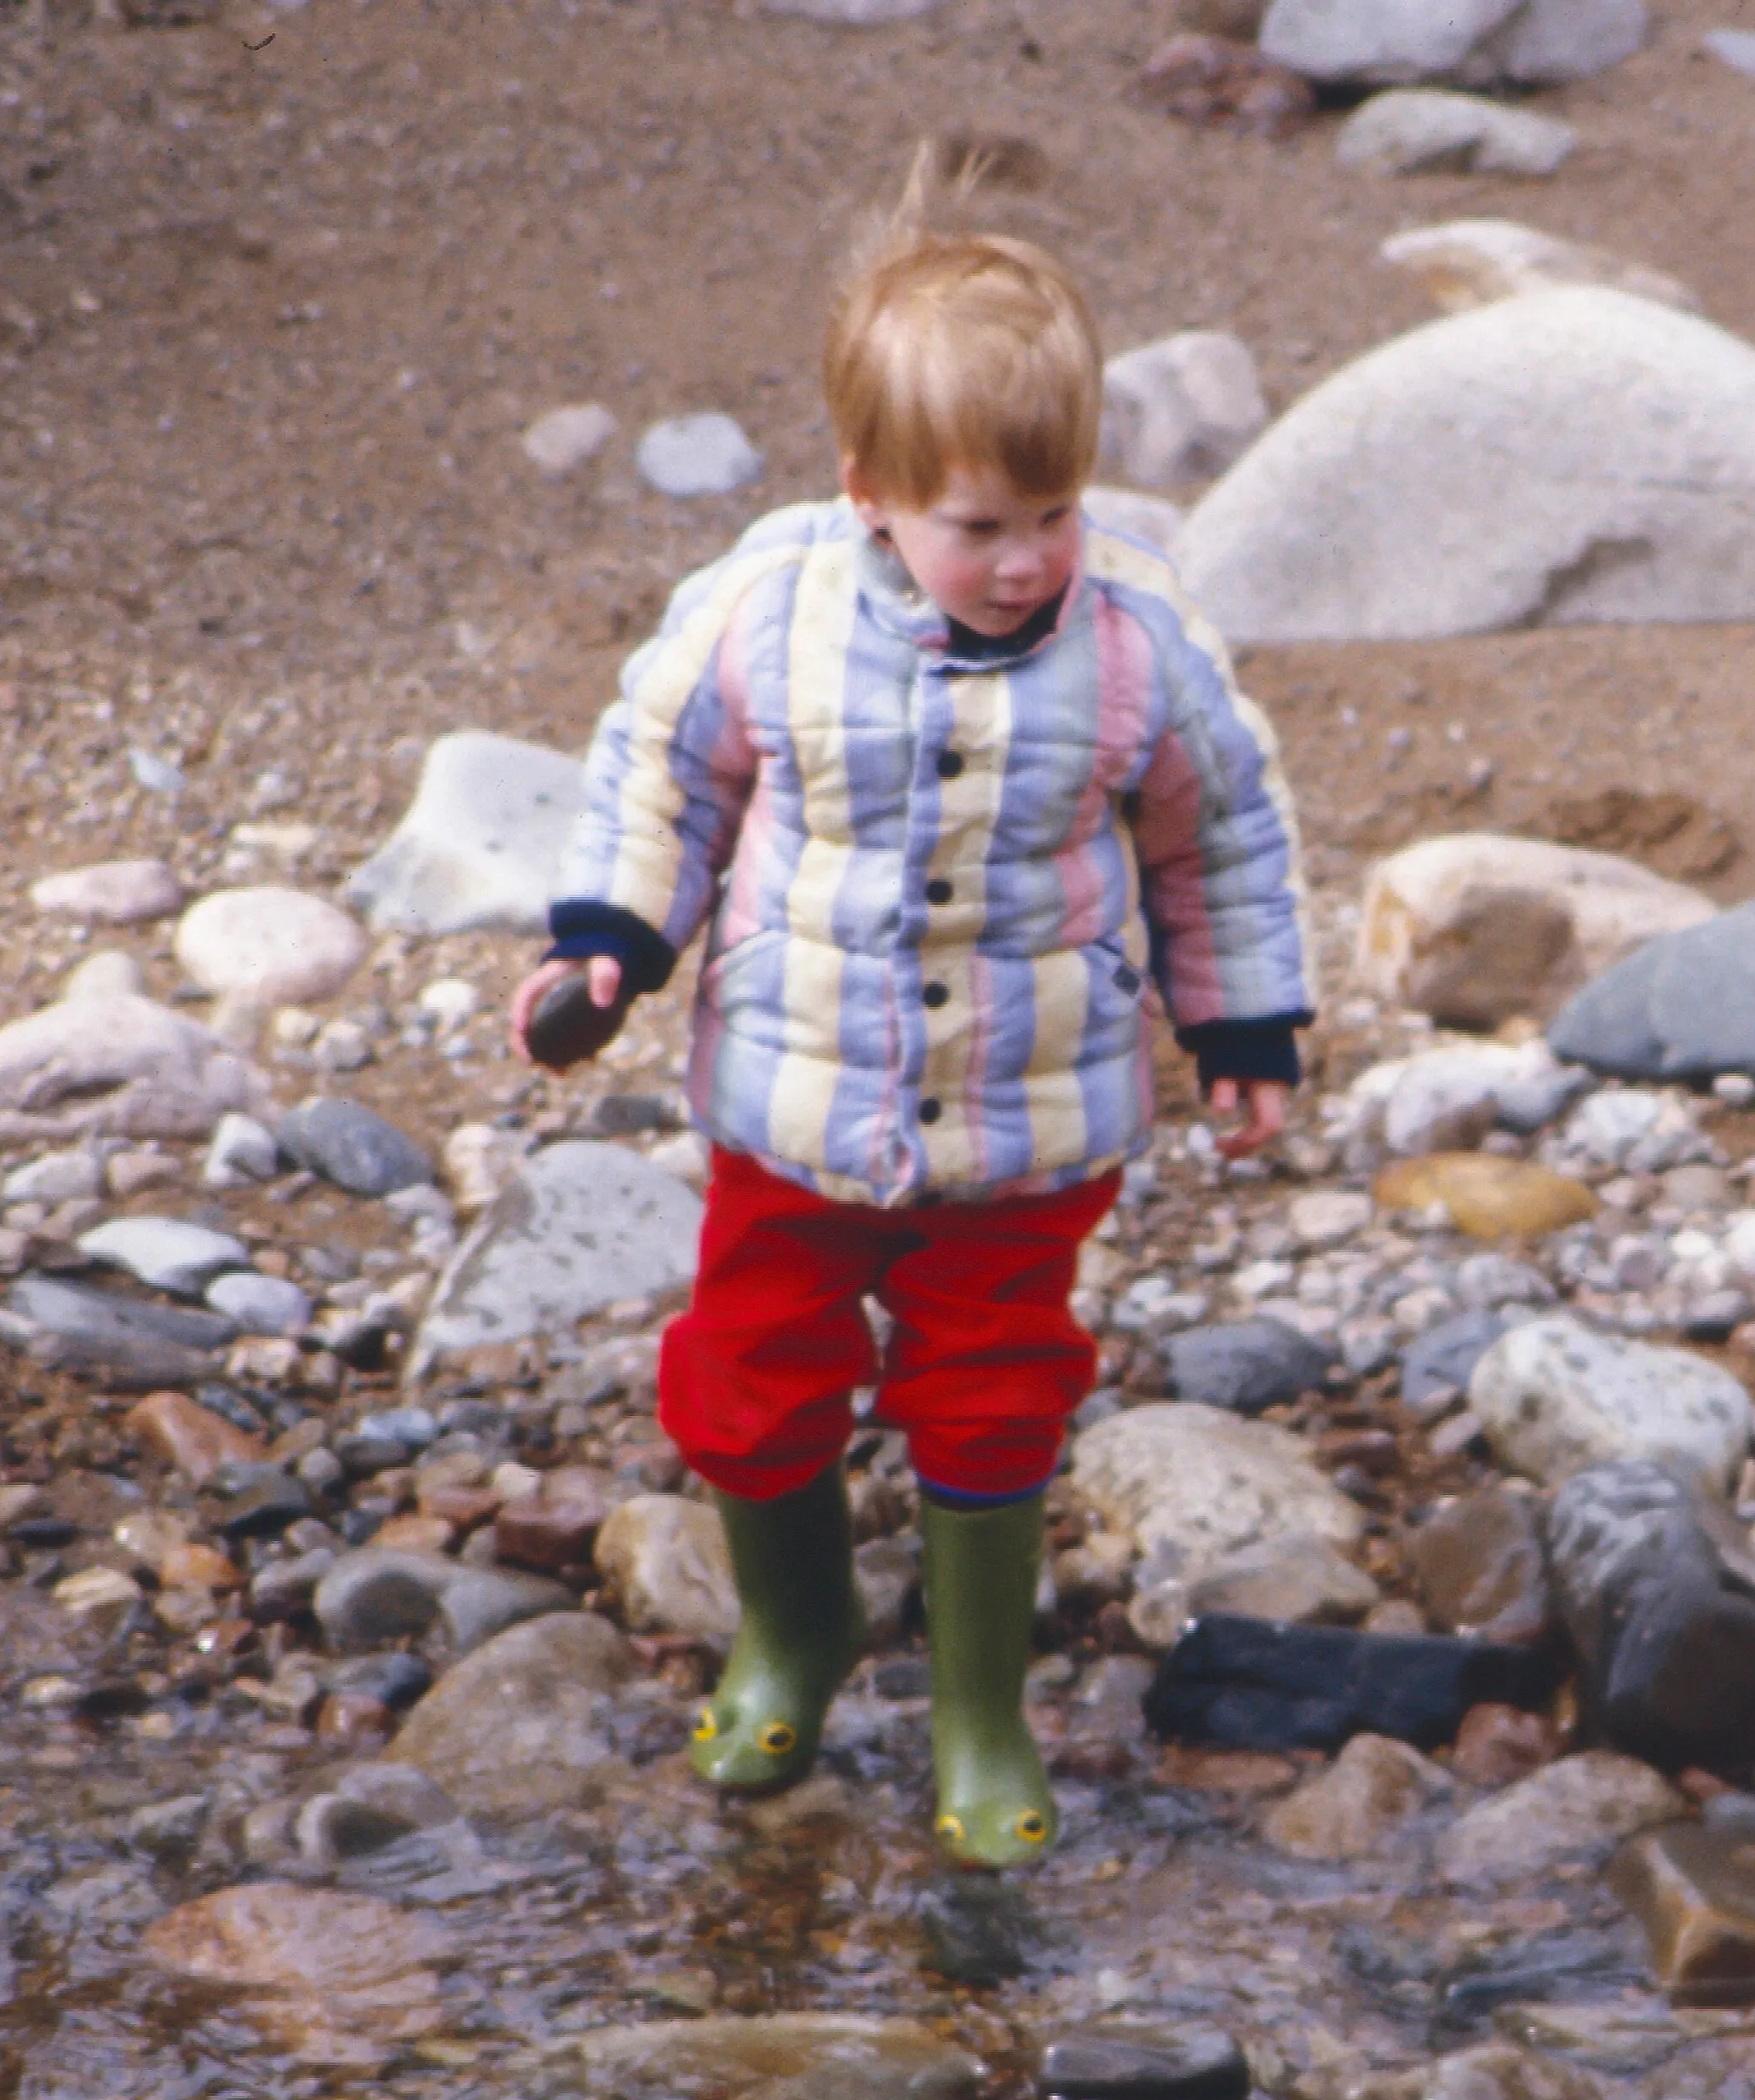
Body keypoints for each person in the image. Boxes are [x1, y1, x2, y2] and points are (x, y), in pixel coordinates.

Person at [511, 166, 1309, 1870]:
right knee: (745, 1380)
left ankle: (978, 1709)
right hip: (796, 1115)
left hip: (1027, 1125)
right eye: (980, 524)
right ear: (870, 495)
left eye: (1054, 512)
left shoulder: (1136, 647)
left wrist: (1243, 1029)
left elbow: (1219, 834)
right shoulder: (766, 616)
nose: (1025, 561)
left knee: (996, 1396)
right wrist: (611, 946)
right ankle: (795, 1630)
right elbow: (661, 784)